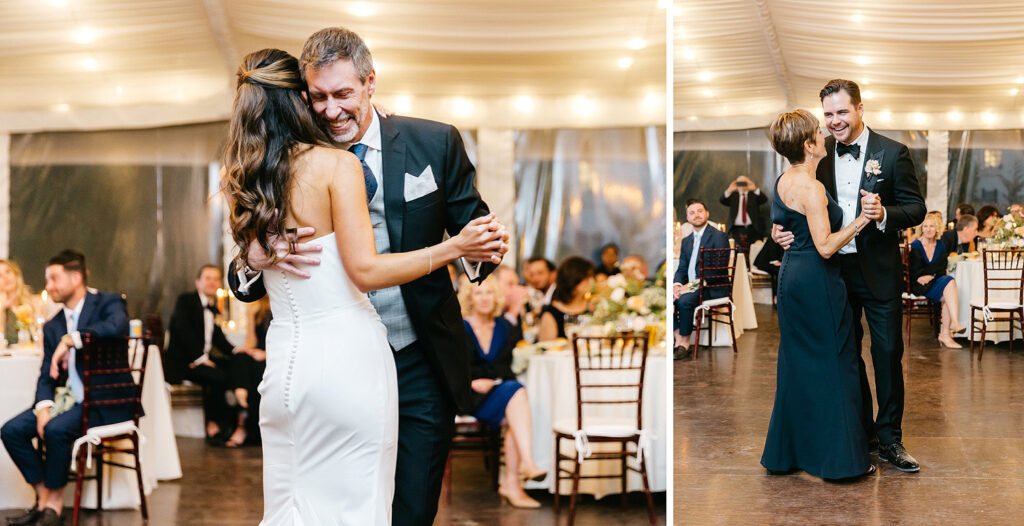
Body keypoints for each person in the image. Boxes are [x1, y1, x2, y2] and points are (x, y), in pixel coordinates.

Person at [222, 38, 507, 525]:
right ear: (302, 95)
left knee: (410, 508)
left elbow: (474, 236)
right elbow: (244, 265)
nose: (332, 110)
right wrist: (256, 256)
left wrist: (480, 250)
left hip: (419, 355)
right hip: (336, 364)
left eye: (343, 94)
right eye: (318, 97)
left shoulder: (433, 142)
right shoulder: (290, 159)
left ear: (370, 84)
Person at [773, 80, 927, 473]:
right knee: (845, 356)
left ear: (860, 109)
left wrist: (884, 215)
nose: (834, 121)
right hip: (832, 273)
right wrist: (780, 230)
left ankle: (891, 439)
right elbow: (799, 206)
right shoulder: (817, 157)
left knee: (887, 353)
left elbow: (916, 208)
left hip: (877, 272)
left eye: (842, 112)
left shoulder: (893, 152)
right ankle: (861, 434)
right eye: (827, 114)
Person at [760, 109, 874, 480]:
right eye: (818, 131)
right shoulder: (811, 187)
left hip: (792, 277)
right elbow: (825, 247)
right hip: (817, 280)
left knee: (798, 365)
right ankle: (840, 462)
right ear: (809, 145)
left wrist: (780, 235)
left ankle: (789, 454)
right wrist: (862, 220)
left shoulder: (784, 179)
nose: (825, 132)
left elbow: (786, 224)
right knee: (836, 364)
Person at [1, 250, 130, 526]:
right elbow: (46, 376)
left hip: (104, 400)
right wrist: (44, 407)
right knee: (11, 431)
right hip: (68, 401)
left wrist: (72, 339)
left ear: (76, 277)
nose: (48, 286)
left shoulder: (109, 303)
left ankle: (55, 507)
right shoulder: (52, 325)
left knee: (55, 429)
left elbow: (116, 327)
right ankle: (44, 497)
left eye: (54, 279)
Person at [458, 276, 545, 509]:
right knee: (516, 397)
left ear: (496, 297)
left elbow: (506, 366)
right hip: (470, 395)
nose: (484, 298)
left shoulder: (505, 326)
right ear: (469, 298)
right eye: (478, 293)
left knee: (514, 399)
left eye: (488, 293)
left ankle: (513, 482)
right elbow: (454, 367)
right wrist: (474, 382)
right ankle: (518, 476)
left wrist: (492, 381)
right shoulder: (460, 327)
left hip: (498, 390)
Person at [164, 265, 238, 444]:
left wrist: (237, 351)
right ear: (198, 283)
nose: (212, 282)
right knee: (218, 377)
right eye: (208, 278)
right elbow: (183, 331)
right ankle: (213, 426)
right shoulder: (186, 301)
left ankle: (233, 425)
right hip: (183, 363)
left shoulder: (212, 308)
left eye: (216, 278)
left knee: (234, 367)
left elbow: (219, 339)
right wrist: (201, 359)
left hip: (200, 360)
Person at [672, 199, 730, 360]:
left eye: (699, 211)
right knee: (666, 297)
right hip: (692, 287)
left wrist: (690, 286)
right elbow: (682, 268)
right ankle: (678, 337)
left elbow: (718, 268)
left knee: (684, 300)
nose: (696, 215)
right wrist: (677, 285)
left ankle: (684, 343)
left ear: (707, 214)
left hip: (712, 287)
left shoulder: (719, 236)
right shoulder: (686, 241)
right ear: (687, 218)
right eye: (692, 212)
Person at [909, 214, 965, 348]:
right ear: (921, 229)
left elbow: (941, 269)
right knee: (949, 283)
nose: (928, 229)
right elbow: (915, 271)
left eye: (932, 226)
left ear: (937, 228)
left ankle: (946, 334)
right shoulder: (916, 245)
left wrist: (930, 275)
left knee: (948, 284)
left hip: (934, 281)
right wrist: (928, 274)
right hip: (919, 285)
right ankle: (950, 328)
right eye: (925, 226)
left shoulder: (940, 245)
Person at [228, 295, 271, 446]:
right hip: (259, 354)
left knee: (256, 372)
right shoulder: (254, 306)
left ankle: (242, 426)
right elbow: (251, 341)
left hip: (276, 356)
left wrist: (267, 354)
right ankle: (241, 392)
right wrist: (247, 350)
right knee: (239, 357)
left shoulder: (283, 301)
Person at [538, 257, 594, 342]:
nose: (592, 281)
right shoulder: (551, 312)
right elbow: (546, 347)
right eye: (587, 277)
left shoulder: (592, 309)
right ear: (574, 280)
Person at [720, 175, 768, 256]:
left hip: (752, 228)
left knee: (754, 251)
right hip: (737, 229)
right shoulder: (733, 195)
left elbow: (764, 199)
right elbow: (722, 200)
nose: (742, 185)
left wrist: (754, 188)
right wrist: (730, 189)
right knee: (739, 251)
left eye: (744, 182)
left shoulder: (752, 195)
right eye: (739, 183)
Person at [0, 260, 38, 346]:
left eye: (8, 272)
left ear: (16, 274)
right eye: (0, 275)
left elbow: (39, 333)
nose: (5, 277)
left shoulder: (33, 302)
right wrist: (2, 310)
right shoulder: (1, 309)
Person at [752, 236, 783, 306]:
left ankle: (781, 297)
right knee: (779, 271)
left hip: (773, 261)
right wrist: (776, 262)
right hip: (763, 262)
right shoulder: (775, 234)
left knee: (781, 270)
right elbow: (772, 248)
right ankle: (776, 298)